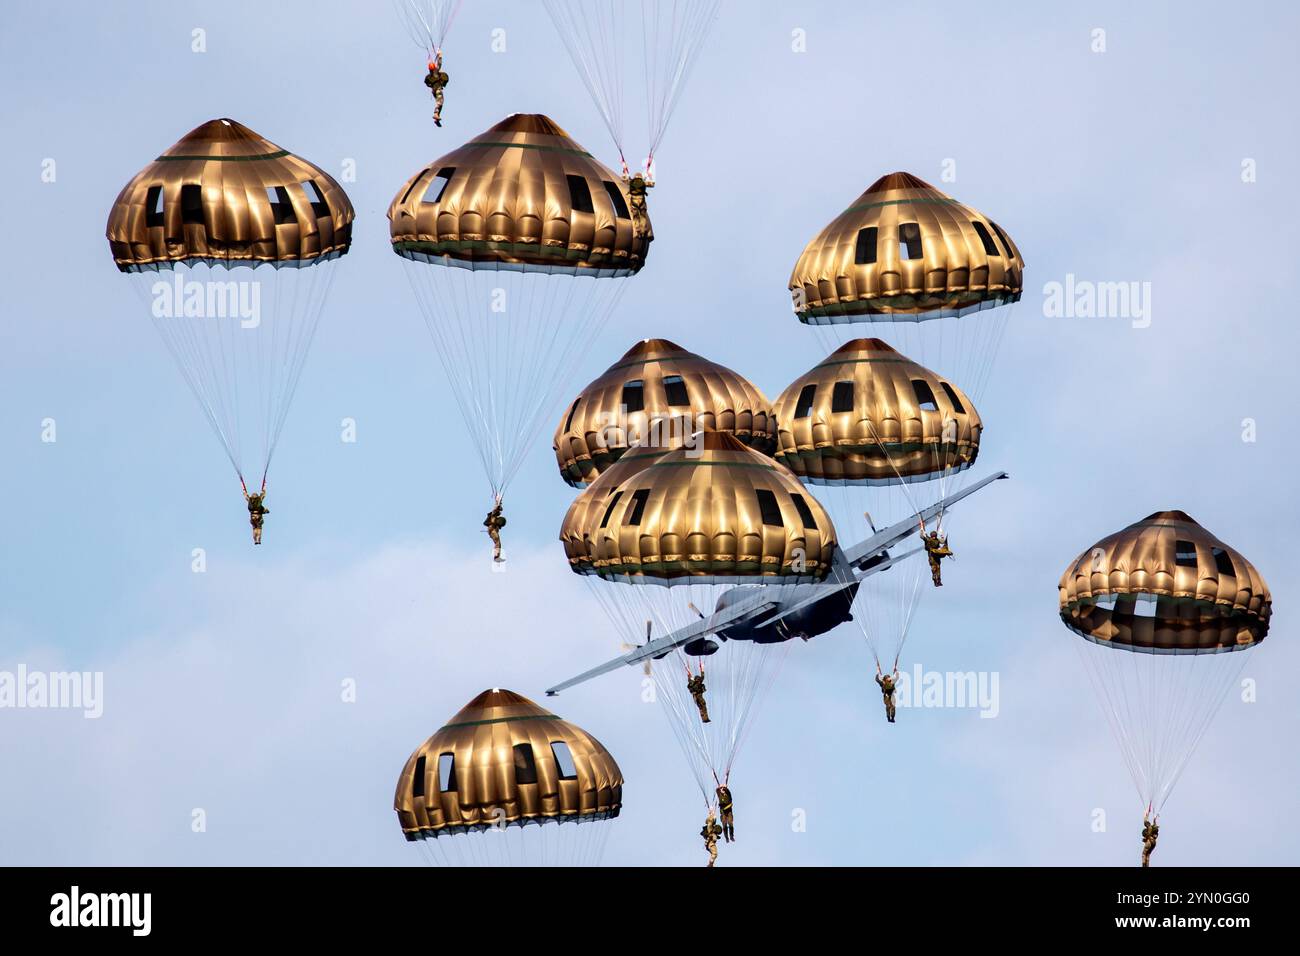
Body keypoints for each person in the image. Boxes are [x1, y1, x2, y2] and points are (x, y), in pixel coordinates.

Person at [623, 169, 654, 241]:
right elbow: (652, 184)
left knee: (636, 217)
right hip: (641, 201)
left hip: (634, 201)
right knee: (643, 217)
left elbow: (624, 180)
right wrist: (649, 177)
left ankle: (637, 232)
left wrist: (625, 176)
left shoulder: (631, 182)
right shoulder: (643, 182)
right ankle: (643, 231)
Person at [921, 521, 953, 587]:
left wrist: (942, 536)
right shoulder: (929, 540)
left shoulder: (937, 540)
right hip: (932, 557)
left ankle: (938, 581)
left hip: (937, 558)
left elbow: (942, 541)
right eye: (933, 536)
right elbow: (923, 537)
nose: (934, 537)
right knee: (934, 568)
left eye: (935, 536)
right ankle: (935, 578)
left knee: (938, 569)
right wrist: (922, 529)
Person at [424, 51, 449, 126]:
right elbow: (439, 64)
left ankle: (437, 117)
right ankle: (435, 113)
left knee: (440, 103)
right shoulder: (435, 72)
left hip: (434, 91)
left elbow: (428, 84)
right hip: (438, 89)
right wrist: (440, 55)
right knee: (440, 102)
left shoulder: (429, 76)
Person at [483, 495, 506, 562]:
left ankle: (496, 556)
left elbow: (496, 508)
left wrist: (499, 503)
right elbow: (495, 509)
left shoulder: (495, 517)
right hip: (492, 529)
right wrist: (498, 504)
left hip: (491, 530)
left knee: (497, 543)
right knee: (498, 543)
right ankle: (496, 557)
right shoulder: (494, 515)